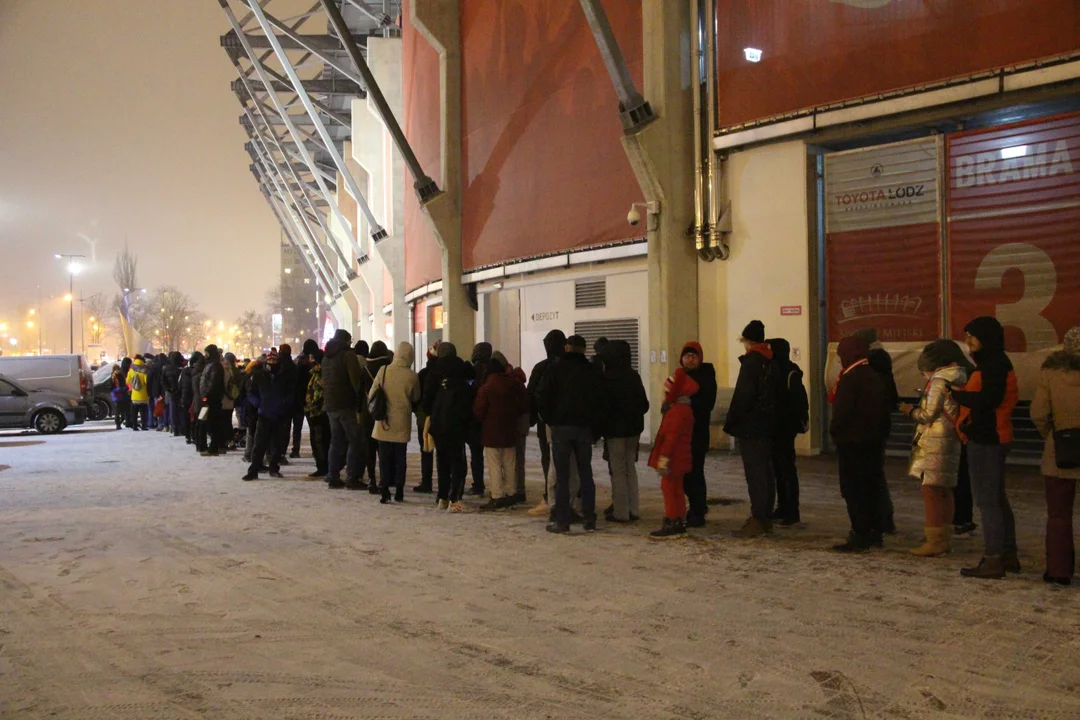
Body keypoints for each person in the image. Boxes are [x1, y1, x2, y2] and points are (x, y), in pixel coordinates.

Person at [952, 316, 1021, 580]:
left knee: (987, 502)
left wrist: (956, 395)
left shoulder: (993, 366)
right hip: (994, 436)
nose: (968, 341)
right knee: (997, 499)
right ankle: (1007, 553)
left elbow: (988, 400)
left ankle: (994, 559)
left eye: (972, 336)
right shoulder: (997, 362)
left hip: (987, 440)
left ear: (987, 338)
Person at [899, 339, 968, 557]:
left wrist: (910, 410)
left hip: (936, 440)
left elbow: (929, 414)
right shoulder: (961, 375)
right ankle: (943, 536)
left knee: (930, 489)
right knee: (944, 489)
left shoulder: (940, 380)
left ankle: (935, 540)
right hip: (951, 438)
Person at [538, 334, 604, 534]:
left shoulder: (555, 369)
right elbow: (601, 401)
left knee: (562, 476)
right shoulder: (591, 371)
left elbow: (542, 395)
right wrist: (595, 427)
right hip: (584, 428)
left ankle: (562, 521)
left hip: (561, 428)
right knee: (585, 473)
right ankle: (589, 519)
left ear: (566, 348)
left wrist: (551, 419)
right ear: (584, 350)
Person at [830, 335, 890, 553]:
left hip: (852, 442)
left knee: (854, 489)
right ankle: (874, 531)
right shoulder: (872, 374)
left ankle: (860, 533)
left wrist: (834, 431)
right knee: (870, 487)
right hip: (871, 441)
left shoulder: (852, 377)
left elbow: (843, 412)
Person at [1031, 326, 1080, 587]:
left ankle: (1059, 571)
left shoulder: (1050, 373)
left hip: (1060, 448)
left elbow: (1038, 412)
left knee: (1059, 514)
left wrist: (1053, 434)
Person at [723, 320, 779, 538]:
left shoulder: (751, 363)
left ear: (748, 341)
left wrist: (733, 422)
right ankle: (765, 516)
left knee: (755, 473)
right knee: (766, 471)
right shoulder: (771, 362)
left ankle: (758, 518)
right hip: (766, 425)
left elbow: (743, 396)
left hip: (751, 426)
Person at [854, 327, 900, 534]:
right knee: (875, 473)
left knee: (870, 474)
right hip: (879, 425)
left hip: (870, 427)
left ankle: (879, 519)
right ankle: (883, 518)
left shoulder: (872, 363)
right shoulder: (881, 361)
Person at [474, 352, 529, 511]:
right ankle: (511, 494)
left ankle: (497, 496)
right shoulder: (514, 384)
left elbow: (479, 409)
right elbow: (523, 404)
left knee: (495, 464)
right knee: (510, 462)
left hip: (491, 432)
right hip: (510, 430)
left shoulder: (487, 387)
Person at [601, 340, 649, 523]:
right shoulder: (633, 376)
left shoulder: (607, 378)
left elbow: (603, 407)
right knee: (630, 468)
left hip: (615, 432)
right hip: (634, 431)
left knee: (618, 470)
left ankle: (621, 512)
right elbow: (644, 405)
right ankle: (633, 509)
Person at [649, 368, 699, 539]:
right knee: (677, 488)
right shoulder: (686, 410)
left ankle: (671, 520)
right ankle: (678, 519)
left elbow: (670, 437)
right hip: (681, 457)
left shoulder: (676, 412)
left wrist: (664, 459)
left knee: (668, 488)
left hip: (673, 458)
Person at [425, 342, 475, 511]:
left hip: (438, 421)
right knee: (457, 462)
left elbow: (427, 398)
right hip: (456, 423)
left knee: (442, 461)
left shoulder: (434, 370)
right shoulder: (462, 370)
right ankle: (455, 497)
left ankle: (442, 497)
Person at [370, 341, 421, 504]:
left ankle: (384, 489)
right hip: (401, 421)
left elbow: (372, 393)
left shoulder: (383, 370)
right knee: (400, 457)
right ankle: (399, 489)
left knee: (384, 457)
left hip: (384, 421)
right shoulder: (412, 376)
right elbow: (416, 397)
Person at [768, 338, 809, 526]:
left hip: (784, 427)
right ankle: (783, 506)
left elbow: (798, 401)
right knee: (779, 468)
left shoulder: (788, 373)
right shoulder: (776, 370)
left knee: (786, 469)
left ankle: (792, 510)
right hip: (777, 426)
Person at [526, 329, 566, 517]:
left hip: (548, 422)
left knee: (549, 460)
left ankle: (551, 499)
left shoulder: (542, 367)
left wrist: (533, 418)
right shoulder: (574, 365)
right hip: (573, 422)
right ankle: (573, 497)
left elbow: (533, 394)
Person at [321, 329, 365, 490]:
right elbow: (355, 382)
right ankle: (352, 477)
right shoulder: (348, 355)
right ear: (346, 341)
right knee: (355, 440)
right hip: (346, 404)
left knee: (336, 440)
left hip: (330, 404)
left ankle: (333, 475)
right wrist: (360, 402)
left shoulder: (326, 357)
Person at [680, 341, 717, 527]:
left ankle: (698, 510)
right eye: (686, 356)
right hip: (681, 434)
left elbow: (706, 403)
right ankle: (696, 507)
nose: (690, 359)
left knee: (695, 472)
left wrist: (686, 402)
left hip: (697, 433)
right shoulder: (679, 376)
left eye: (693, 356)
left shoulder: (707, 376)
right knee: (685, 474)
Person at [242, 350, 294, 481]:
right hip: (264, 413)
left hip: (279, 414)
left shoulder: (284, 376)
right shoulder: (259, 375)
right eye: (269, 361)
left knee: (277, 444)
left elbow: (290, 393)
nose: (271, 364)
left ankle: (273, 467)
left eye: (274, 361)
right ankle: (254, 469)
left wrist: (284, 405)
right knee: (259, 444)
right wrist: (258, 403)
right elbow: (251, 393)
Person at [363, 341, 393, 493]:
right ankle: (385, 479)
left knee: (369, 447)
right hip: (384, 411)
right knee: (384, 448)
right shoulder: (388, 369)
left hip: (368, 412)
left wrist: (358, 411)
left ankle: (371, 479)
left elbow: (359, 392)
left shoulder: (366, 368)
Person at [467, 342, 494, 497]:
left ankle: (478, 484)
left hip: (475, 417)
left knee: (476, 454)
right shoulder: (492, 369)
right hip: (489, 417)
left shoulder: (473, 369)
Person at [413, 344, 438, 494]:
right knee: (443, 451)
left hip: (424, 418)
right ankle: (445, 482)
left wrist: (417, 411)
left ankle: (426, 481)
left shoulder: (422, 374)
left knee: (426, 450)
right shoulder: (444, 373)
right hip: (442, 417)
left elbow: (416, 396)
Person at [304, 345, 330, 478]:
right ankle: (322, 465)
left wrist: (312, 406)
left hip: (318, 412)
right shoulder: (315, 373)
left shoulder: (320, 374)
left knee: (321, 440)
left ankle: (324, 467)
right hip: (314, 411)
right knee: (318, 440)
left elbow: (320, 393)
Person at [199, 345, 226, 457]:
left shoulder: (214, 366)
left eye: (206, 353)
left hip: (211, 399)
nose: (205, 355)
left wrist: (205, 396)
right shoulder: (212, 365)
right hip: (211, 398)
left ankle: (213, 447)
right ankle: (216, 445)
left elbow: (212, 383)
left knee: (212, 422)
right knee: (212, 422)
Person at [288, 342, 313, 459]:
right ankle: (315, 450)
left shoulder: (297, 362)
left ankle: (295, 449)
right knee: (312, 426)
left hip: (295, 398)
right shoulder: (309, 365)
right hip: (307, 398)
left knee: (297, 427)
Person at [126, 356, 150, 431]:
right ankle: (144, 426)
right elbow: (146, 381)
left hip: (134, 395)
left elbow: (127, 381)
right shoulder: (144, 370)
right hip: (143, 395)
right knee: (143, 412)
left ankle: (134, 426)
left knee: (134, 412)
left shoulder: (131, 370)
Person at [163, 352, 183, 438]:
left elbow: (163, 381)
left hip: (171, 392)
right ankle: (181, 427)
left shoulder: (166, 368)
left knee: (173, 410)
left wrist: (169, 389)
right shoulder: (181, 368)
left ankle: (175, 428)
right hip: (181, 392)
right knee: (181, 410)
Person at [189, 352, 207, 450]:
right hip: (202, 403)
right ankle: (201, 445)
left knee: (198, 423)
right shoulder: (201, 376)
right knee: (201, 425)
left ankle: (198, 444)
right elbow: (202, 392)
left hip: (196, 403)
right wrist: (205, 400)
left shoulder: (194, 375)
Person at [111, 359, 131, 431]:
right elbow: (124, 385)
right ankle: (124, 422)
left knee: (117, 411)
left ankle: (118, 424)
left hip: (116, 396)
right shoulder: (120, 374)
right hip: (123, 395)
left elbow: (110, 387)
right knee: (125, 410)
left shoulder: (112, 376)